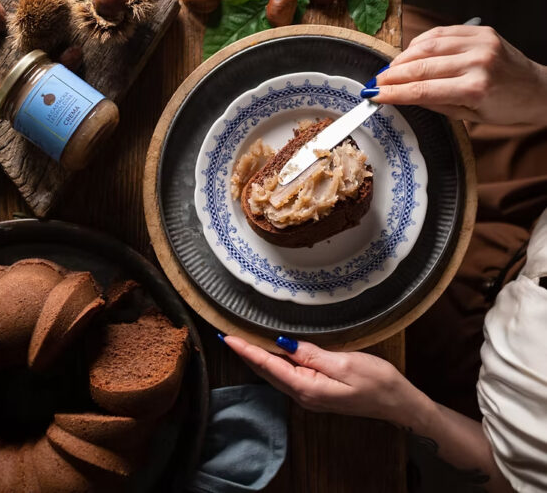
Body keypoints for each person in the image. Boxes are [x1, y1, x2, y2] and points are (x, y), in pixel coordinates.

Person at [221, 25, 547, 493]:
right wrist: (538, 88)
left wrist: (405, 408)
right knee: (397, 39)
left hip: (470, 373)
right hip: (532, 189)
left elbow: (511, 478)